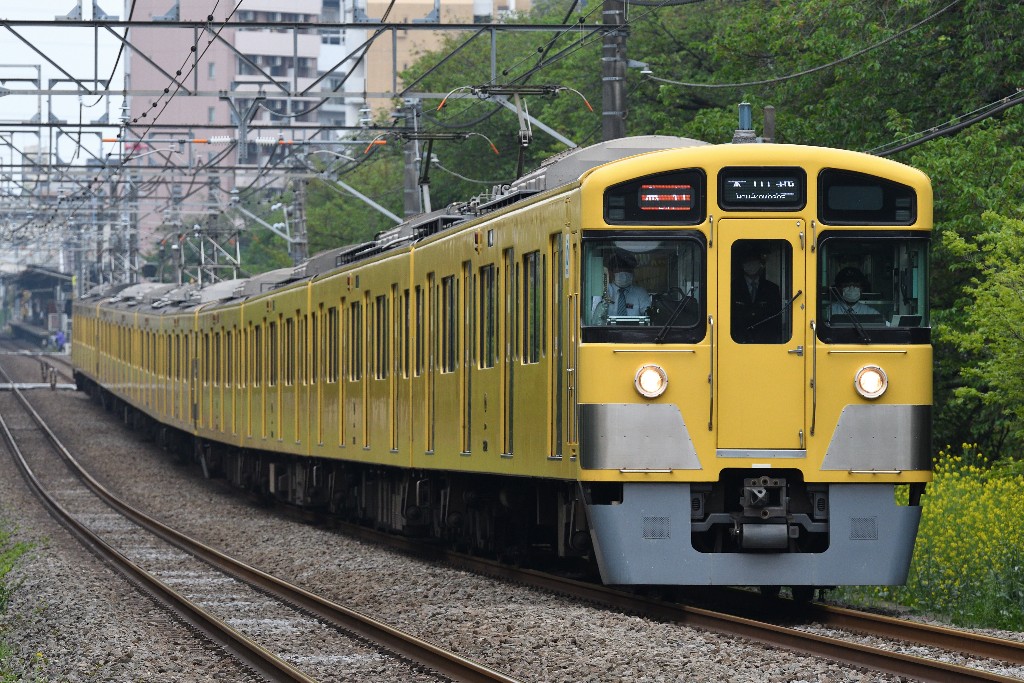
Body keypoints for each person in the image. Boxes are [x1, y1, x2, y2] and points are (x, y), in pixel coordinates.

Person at [731, 247, 782, 343]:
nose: (751, 265)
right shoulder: (732, 288)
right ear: (742, 265)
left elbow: (776, 318)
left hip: (765, 341)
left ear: (760, 264)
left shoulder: (772, 288)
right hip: (738, 341)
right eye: (748, 262)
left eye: (754, 262)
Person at [590, 250, 652, 324]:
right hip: (607, 333)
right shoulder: (603, 291)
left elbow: (648, 317)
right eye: (620, 269)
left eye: (628, 270)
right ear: (611, 272)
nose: (624, 273)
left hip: (635, 333)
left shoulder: (641, 293)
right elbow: (595, 318)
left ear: (633, 272)